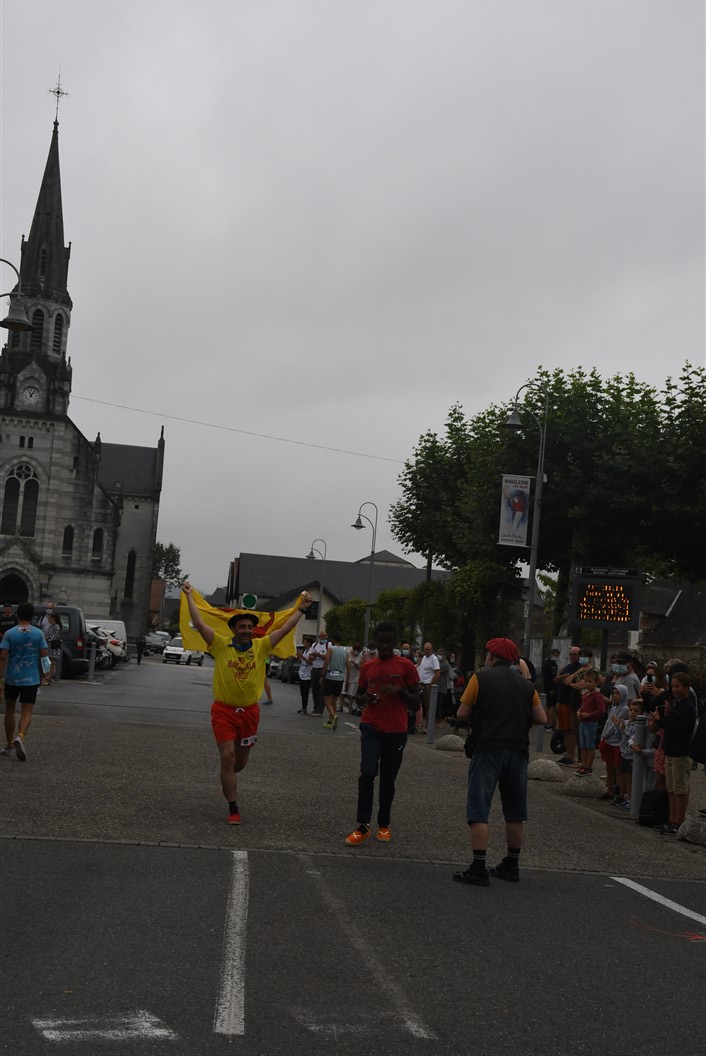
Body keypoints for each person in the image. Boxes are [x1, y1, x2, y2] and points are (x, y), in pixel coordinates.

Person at [182, 582, 313, 825]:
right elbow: (199, 624)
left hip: (250, 714)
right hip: (223, 711)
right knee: (228, 755)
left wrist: (303, 609)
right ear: (233, 629)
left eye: (250, 627)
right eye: (242, 627)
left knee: (239, 763)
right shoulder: (220, 645)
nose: (246, 630)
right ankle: (233, 806)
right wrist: (190, 596)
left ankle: (227, 776)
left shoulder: (261, 647)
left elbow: (285, 628)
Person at [453, 637, 546, 887]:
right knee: (514, 812)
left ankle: (478, 867)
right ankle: (511, 864)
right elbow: (541, 718)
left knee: (479, 809)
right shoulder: (526, 685)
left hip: (488, 748)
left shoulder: (480, 678)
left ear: (491, 657)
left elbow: (462, 713)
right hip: (518, 750)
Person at [344, 622, 420, 845]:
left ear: (394, 643)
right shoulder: (368, 667)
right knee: (367, 773)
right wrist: (366, 698)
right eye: (381, 641)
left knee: (388, 778)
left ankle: (384, 824)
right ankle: (363, 825)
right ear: (375, 642)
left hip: (396, 730)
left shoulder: (406, 666)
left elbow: (416, 702)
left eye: (389, 642)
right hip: (371, 726)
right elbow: (358, 698)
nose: (385, 645)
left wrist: (400, 691)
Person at [0, 602, 49, 762]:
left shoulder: (9, 634)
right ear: (32, 616)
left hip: (12, 678)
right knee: (27, 711)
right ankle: (20, 737)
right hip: (31, 678)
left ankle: (9, 745)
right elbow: (44, 656)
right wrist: (44, 675)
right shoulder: (38, 634)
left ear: (17, 615)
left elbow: (2, 657)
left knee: (9, 710)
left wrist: (0, 679)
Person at [654, 671, 697, 834]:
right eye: (673, 687)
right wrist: (661, 718)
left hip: (681, 753)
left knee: (680, 789)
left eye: (678, 687)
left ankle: (679, 821)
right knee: (671, 788)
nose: (675, 690)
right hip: (670, 751)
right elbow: (668, 726)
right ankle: (672, 819)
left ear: (686, 687)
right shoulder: (675, 704)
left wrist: (669, 716)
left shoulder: (688, 708)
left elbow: (681, 730)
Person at [597, 685, 630, 801]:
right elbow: (608, 723)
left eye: (618, 693)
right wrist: (603, 737)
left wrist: (605, 735)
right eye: (614, 693)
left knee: (618, 768)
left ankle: (620, 792)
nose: (615, 696)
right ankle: (609, 790)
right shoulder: (613, 708)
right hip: (609, 741)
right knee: (609, 767)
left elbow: (614, 726)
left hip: (618, 742)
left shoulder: (625, 709)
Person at [554, 646, 582, 765]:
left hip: (571, 703)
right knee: (565, 730)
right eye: (571, 654)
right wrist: (563, 676)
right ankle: (567, 754)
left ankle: (572, 756)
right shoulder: (567, 667)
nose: (573, 656)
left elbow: (567, 682)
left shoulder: (580, 669)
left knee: (571, 730)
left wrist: (565, 678)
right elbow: (556, 679)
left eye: (575, 654)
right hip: (562, 701)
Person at [575, 668, 606, 775]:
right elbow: (583, 706)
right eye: (586, 681)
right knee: (583, 745)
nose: (587, 684)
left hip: (591, 723)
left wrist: (589, 714)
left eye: (590, 681)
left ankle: (588, 767)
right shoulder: (585, 694)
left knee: (590, 745)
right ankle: (583, 765)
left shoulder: (597, 695)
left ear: (596, 682)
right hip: (583, 722)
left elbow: (602, 710)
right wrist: (579, 711)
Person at [321, 633, 347, 729]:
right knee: (334, 699)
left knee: (327, 698)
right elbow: (348, 665)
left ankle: (333, 714)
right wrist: (347, 680)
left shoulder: (331, 649)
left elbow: (326, 662)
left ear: (334, 640)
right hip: (340, 677)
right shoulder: (345, 651)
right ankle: (330, 721)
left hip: (330, 676)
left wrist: (322, 675)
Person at [417, 641, 440, 734]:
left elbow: (437, 672)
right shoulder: (424, 658)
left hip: (427, 685)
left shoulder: (434, 659)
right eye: (425, 649)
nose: (426, 651)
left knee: (428, 706)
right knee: (419, 705)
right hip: (421, 684)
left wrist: (431, 684)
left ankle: (428, 726)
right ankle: (420, 724)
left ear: (432, 650)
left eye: (428, 649)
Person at [308, 630, 329, 715]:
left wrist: (318, 655)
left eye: (325, 636)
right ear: (319, 637)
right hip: (314, 668)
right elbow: (310, 657)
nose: (324, 637)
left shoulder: (328, 645)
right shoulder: (315, 645)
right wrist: (314, 656)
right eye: (322, 636)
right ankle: (315, 708)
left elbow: (327, 657)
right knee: (314, 690)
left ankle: (320, 710)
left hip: (323, 669)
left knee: (321, 690)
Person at [541, 648, 560, 730]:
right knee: (551, 706)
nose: (555, 657)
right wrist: (550, 688)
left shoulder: (554, 664)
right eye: (554, 655)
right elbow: (546, 678)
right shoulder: (547, 664)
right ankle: (549, 723)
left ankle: (546, 722)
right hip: (549, 688)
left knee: (549, 706)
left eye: (557, 656)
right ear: (551, 654)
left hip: (553, 687)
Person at [43, 611, 63, 684]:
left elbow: (54, 637)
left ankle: (49, 677)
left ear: (53, 618)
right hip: (49, 645)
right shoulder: (51, 626)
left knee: (52, 662)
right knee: (49, 662)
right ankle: (48, 676)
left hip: (53, 646)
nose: (48, 619)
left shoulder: (56, 626)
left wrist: (46, 638)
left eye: (49, 618)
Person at [297, 638, 314, 714]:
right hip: (302, 672)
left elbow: (311, 662)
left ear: (308, 643)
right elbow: (299, 659)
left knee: (305, 692)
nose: (303, 643)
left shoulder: (311, 651)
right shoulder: (304, 650)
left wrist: (303, 657)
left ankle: (305, 708)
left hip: (307, 674)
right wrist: (299, 655)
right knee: (302, 692)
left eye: (305, 642)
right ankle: (303, 706)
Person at [344, 643, 363, 711]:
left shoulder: (360, 656)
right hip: (346, 674)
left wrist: (355, 664)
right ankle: (341, 706)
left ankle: (350, 706)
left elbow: (360, 667)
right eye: (357, 650)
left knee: (352, 692)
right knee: (343, 691)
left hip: (355, 675)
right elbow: (344, 663)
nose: (357, 652)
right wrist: (349, 662)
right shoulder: (347, 653)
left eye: (359, 651)